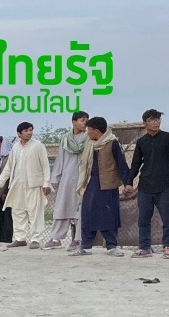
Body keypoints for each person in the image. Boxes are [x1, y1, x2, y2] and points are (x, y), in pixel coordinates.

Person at [69, 117, 129, 257]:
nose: (87, 132)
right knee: (88, 214)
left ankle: (112, 247)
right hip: (91, 183)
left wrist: (127, 183)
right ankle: (86, 247)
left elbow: (122, 164)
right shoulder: (90, 143)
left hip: (108, 185)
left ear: (96, 131)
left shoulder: (113, 143)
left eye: (89, 130)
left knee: (108, 215)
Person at [0, 121, 52, 250]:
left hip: (34, 185)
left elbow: (45, 166)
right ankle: (20, 239)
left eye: (30, 130)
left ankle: (36, 239)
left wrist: (46, 183)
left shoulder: (38, 146)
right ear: (19, 134)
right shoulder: (15, 147)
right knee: (18, 211)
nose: (29, 133)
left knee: (35, 212)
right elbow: (9, 167)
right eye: (26, 131)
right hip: (17, 185)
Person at [128, 109, 169, 258]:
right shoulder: (141, 142)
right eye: (152, 120)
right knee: (143, 219)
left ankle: (167, 247)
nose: (156, 122)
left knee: (167, 219)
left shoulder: (167, 138)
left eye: (158, 119)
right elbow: (136, 163)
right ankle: (144, 247)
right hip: (145, 186)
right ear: (145, 123)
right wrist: (128, 182)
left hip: (165, 186)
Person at [45, 112, 88, 251]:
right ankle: (55, 238)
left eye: (86, 120)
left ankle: (78, 239)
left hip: (83, 178)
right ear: (74, 122)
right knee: (62, 207)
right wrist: (55, 177)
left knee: (80, 208)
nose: (85, 123)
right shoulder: (65, 139)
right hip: (67, 178)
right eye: (82, 120)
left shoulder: (89, 138)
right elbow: (60, 159)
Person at [0, 135, 15, 243]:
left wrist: (6, 192)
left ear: (3, 145)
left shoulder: (9, 159)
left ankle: (7, 239)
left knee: (7, 217)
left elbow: (10, 177)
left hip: (6, 193)